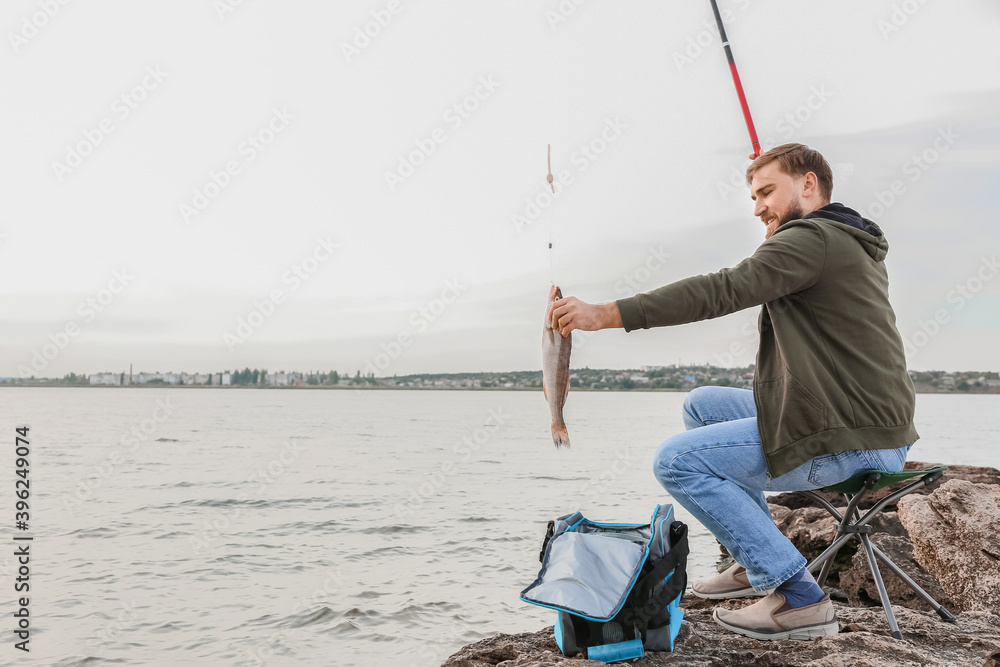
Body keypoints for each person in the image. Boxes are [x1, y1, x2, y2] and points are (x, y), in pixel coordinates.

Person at [548, 143, 918, 641]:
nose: (757, 206)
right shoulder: (836, 238)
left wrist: (606, 314)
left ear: (808, 185)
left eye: (767, 191)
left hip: (853, 435)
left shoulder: (812, 239)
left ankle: (799, 598)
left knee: (677, 461)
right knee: (703, 405)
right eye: (753, 195)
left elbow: (723, 288)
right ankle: (754, 556)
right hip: (858, 418)